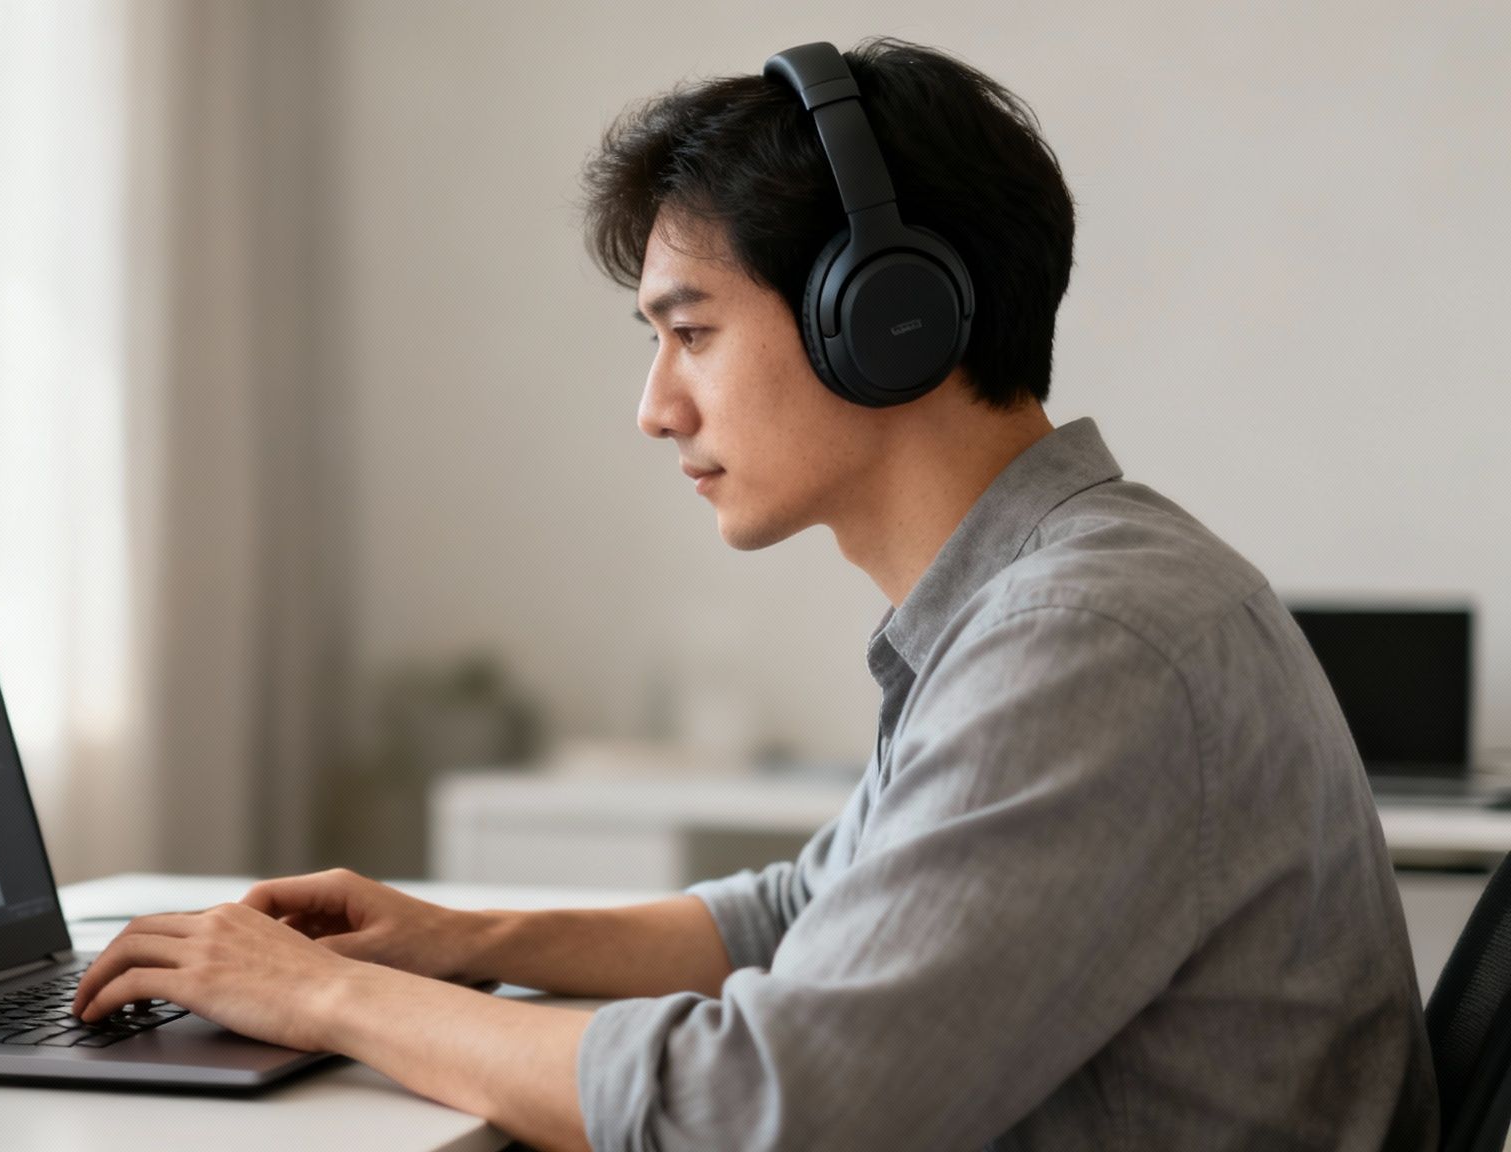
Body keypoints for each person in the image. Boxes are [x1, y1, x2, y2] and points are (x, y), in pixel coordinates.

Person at [71, 37, 1437, 1151]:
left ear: (886, 317)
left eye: (692, 332)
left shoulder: (1089, 641)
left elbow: (769, 1109)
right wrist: (458, 937)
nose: (657, 408)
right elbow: (811, 916)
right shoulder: (1050, 597)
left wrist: (319, 997)